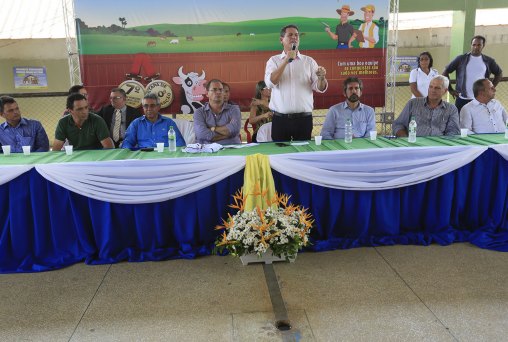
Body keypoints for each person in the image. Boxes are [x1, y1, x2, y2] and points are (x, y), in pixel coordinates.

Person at [265, 24, 327, 141]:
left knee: (303, 154)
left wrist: (321, 78)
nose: (294, 37)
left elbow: (319, 88)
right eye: (290, 35)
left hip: (303, 120)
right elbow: (271, 83)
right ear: (281, 40)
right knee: (280, 154)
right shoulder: (274, 61)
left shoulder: (309, 61)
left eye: (297, 35)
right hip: (280, 120)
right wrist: (286, 61)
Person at [442, 35, 503, 114]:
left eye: (479, 45)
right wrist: (450, 89)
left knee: (479, 124)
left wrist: (490, 88)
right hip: (462, 99)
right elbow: (445, 71)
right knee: (461, 124)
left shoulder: (488, 61)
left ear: (483, 46)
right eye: (474, 45)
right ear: (471, 45)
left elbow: (499, 73)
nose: (476, 47)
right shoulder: (461, 59)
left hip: (480, 99)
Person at [393, 75, 460, 137]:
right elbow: (398, 125)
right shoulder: (413, 103)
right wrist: (406, 139)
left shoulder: (451, 109)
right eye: (431, 87)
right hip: (414, 144)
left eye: (437, 88)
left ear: (445, 91)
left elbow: (453, 131)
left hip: (439, 145)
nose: (433, 90)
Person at [193, 79, 241, 145]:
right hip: (206, 150)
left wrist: (212, 129)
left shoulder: (234, 109)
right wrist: (227, 135)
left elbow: (235, 130)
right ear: (207, 93)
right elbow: (202, 134)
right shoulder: (199, 112)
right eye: (214, 90)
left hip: (231, 147)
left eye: (221, 90)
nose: (218, 92)